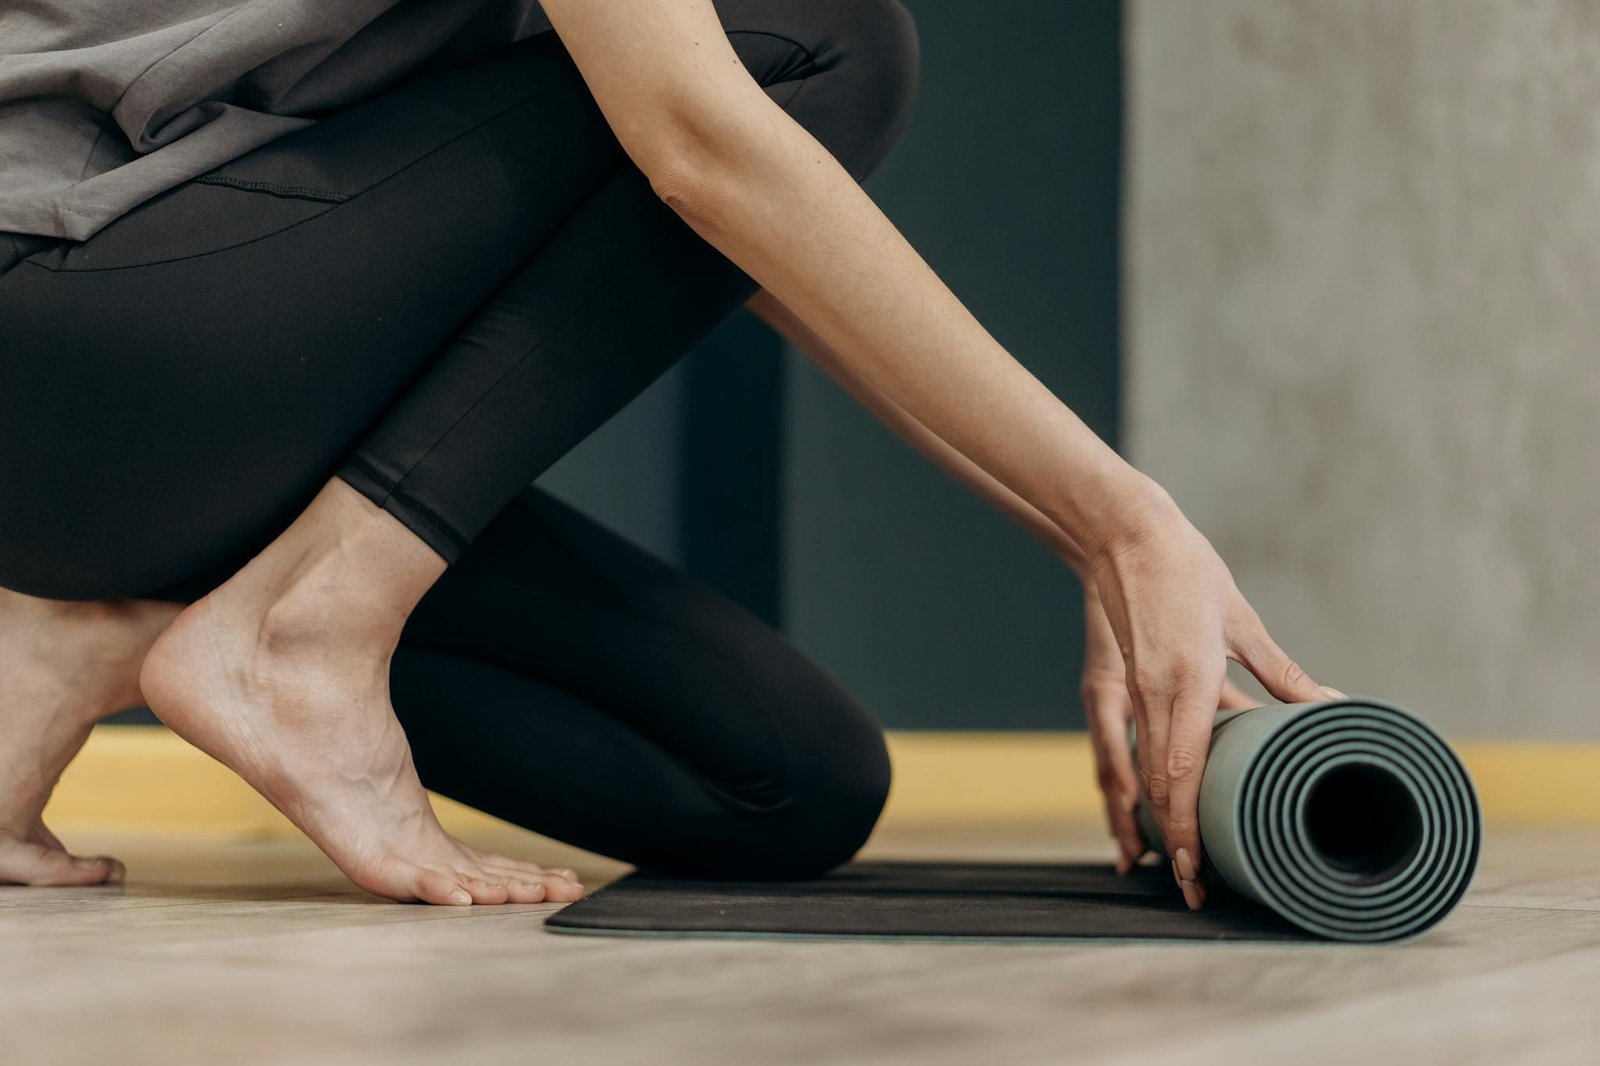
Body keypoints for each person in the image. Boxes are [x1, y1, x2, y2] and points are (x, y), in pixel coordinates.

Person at [0, 0, 1343, 910]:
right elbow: (708, 145)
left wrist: (1098, 553)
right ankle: (300, 631)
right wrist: (1125, 516)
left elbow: (719, 222)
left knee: (783, 780)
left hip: (143, 368)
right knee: (824, 34)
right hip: (70, 322)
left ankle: (97, 619)